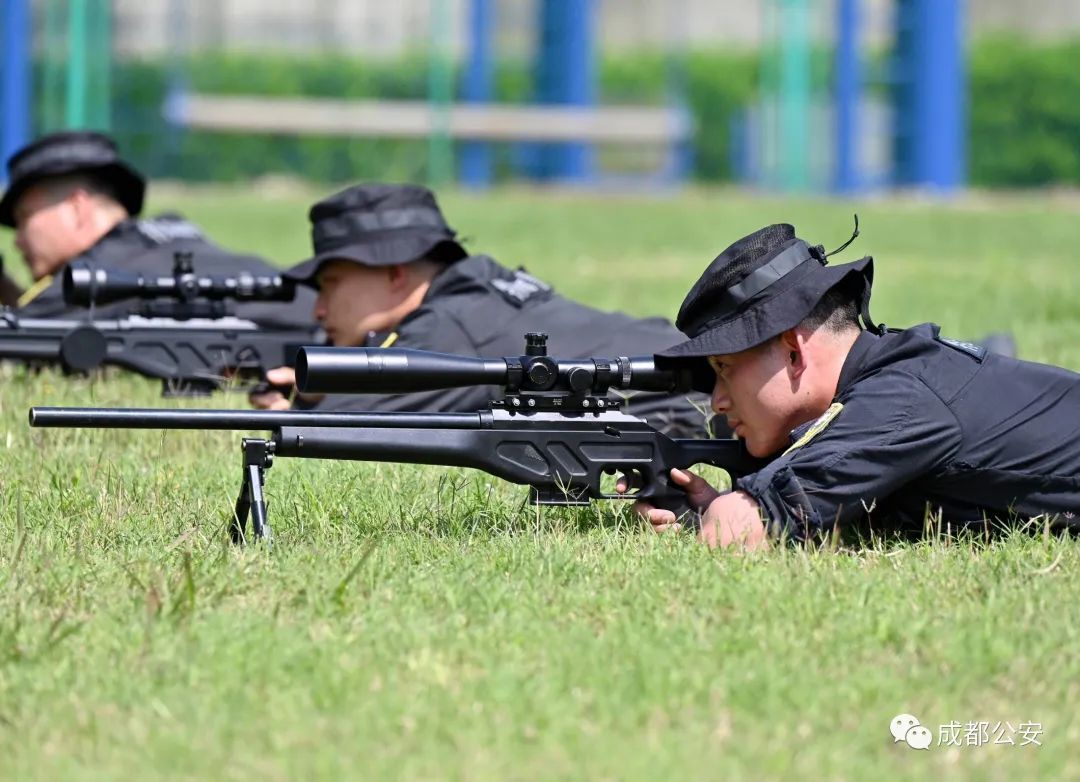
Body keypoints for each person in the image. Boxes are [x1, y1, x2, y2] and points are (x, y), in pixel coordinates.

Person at [631, 223, 1080, 549]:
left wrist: (726, 513)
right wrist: (712, 504)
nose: (718, 399)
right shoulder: (891, 376)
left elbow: (739, 531)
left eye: (726, 369)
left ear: (793, 350)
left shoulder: (898, 401)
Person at [249, 182, 717, 438]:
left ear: (394, 272)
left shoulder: (450, 324)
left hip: (689, 402)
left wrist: (300, 399)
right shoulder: (479, 288)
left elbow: (341, 425)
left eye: (330, 284)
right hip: (698, 375)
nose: (320, 309)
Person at [0, 130, 314, 327]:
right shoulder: (165, 235)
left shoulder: (104, 272)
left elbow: (20, 332)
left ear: (78, 208)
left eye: (25, 217)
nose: (17, 242)